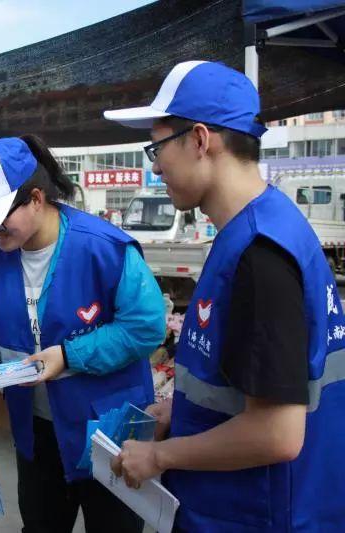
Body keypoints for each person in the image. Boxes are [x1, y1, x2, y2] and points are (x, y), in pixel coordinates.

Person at [104, 60, 345, 532]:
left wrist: (158, 455)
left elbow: (276, 434)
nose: (154, 166)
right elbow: (250, 379)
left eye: (157, 147)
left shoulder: (260, 254)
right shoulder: (257, 228)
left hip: (256, 513)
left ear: (199, 140)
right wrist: (180, 411)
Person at [0, 136, 165, 533]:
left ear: (36, 199)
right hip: (37, 429)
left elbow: (145, 327)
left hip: (107, 428)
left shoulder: (104, 248)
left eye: (0, 218)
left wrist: (70, 355)